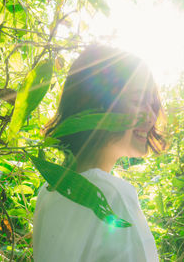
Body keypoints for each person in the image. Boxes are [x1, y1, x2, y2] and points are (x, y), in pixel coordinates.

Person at [33, 44, 166, 262]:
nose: (151, 117)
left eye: (152, 104)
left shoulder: (47, 194)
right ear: (97, 105)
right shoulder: (114, 196)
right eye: (137, 101)